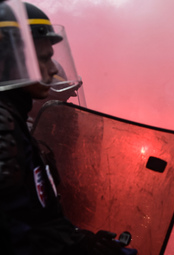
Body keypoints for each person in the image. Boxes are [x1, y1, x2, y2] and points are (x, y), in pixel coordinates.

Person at [0, 1, 137, 254]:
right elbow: (15, 238)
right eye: (43, 59)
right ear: (10, 62)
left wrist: (82, 241)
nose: (52, 69)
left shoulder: (14, 120)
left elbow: (39, 221)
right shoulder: (4, 128)